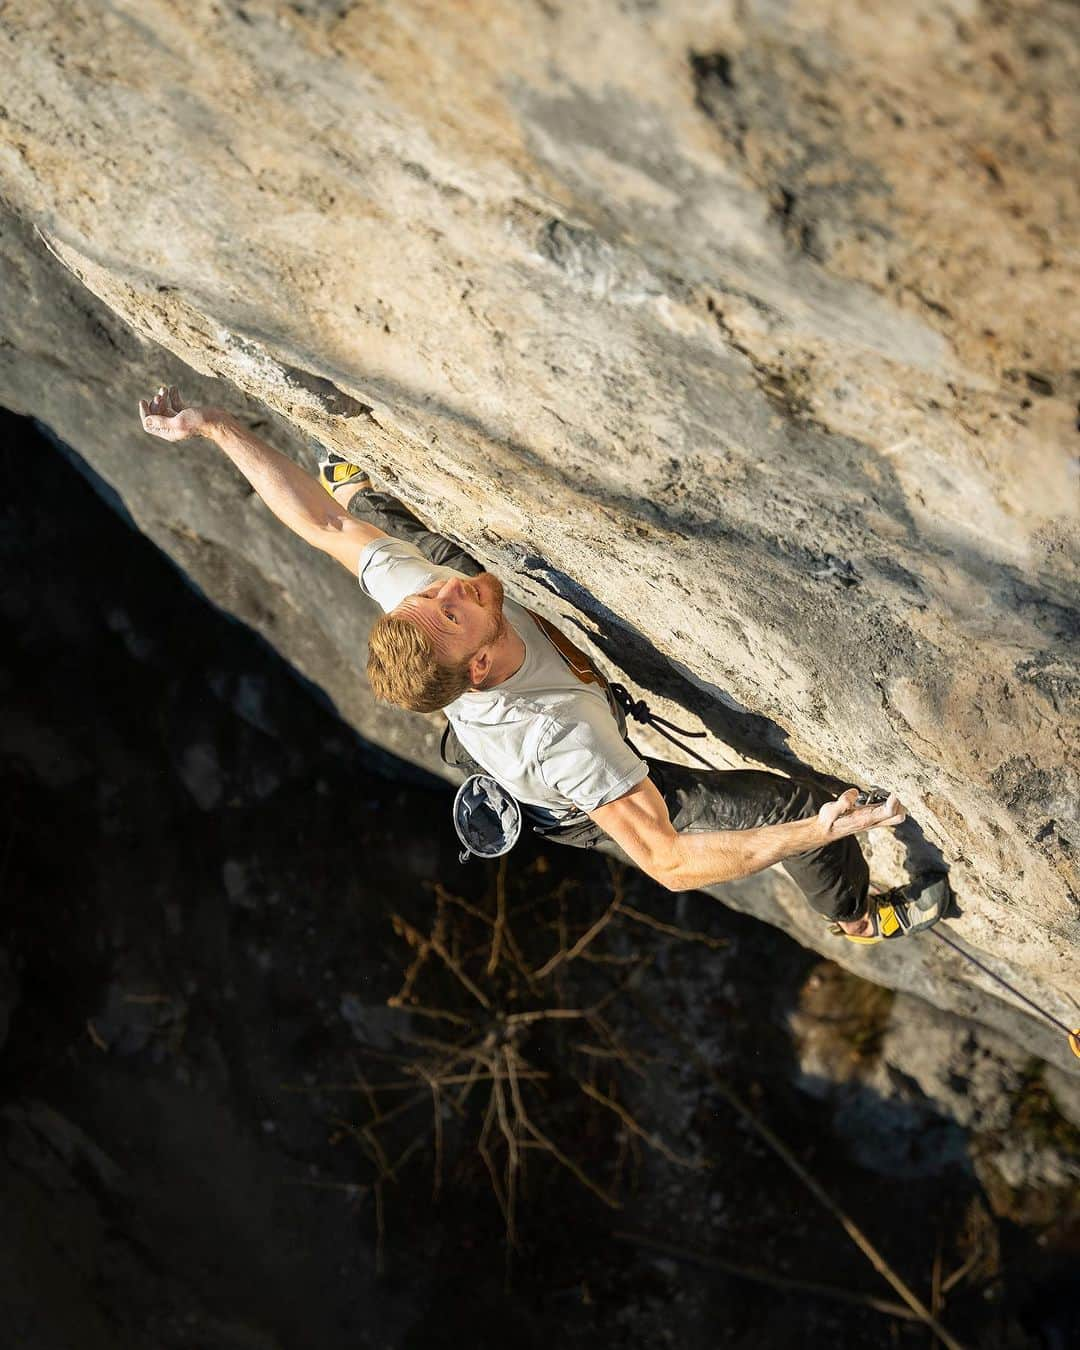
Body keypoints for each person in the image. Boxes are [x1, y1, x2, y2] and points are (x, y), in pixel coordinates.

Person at [139, 386, 948, 943]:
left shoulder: (429, 603)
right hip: (571, 798)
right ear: (481, 667)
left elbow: (316, 524)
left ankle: (371, 494)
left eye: (435, 603)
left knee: (413, 541)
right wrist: (816, 828)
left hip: (496, 702)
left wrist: (213, 427)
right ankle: (858, 922)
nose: (450, 595)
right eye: (454, 613)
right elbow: (665, 863)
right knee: (792, 804)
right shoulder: (563, 742)